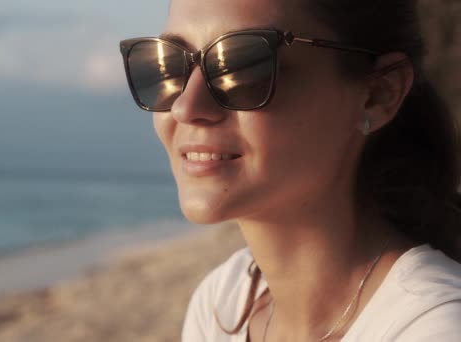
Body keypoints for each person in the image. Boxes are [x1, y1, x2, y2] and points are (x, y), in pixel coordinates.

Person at [119, 0, 461, 340]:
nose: (185, 107)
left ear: (378, 94)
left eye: (242, 66)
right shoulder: (222, 304)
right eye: (168, 65)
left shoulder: (434, 328)